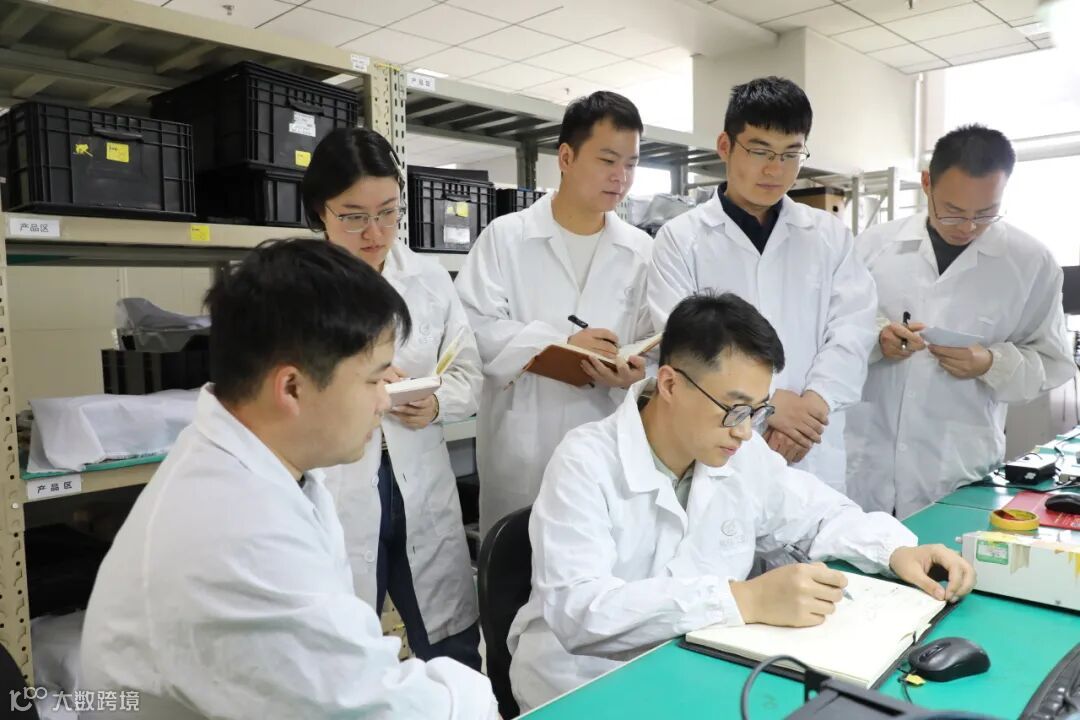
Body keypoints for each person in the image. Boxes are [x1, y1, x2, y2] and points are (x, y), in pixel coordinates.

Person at [80, 239, 497, 720]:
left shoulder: (260, 465)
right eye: (373, 381)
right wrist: (476, 697)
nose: (386, 401)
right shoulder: (237, 534)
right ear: (292, 387)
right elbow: (369, 708)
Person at [506, 292, 976, 711]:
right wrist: (743, 598)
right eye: (734, 409)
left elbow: (818, 514)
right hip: (584, 686)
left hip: (695, 664)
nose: (747, 430)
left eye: (758, 410)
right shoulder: (585, 460)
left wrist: (896, 551)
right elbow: (580, 611)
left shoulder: (738, 451)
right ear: (669, 384)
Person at [302, 128, 483, 668]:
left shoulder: (428, 279)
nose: (375, 232)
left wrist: (437, 404)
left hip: (419, 477)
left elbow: (466, 369)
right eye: (353, 216)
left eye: (388, 213)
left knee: (450, 642)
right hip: (338, 479)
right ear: (319, 212)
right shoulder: (298, 289)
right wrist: (357, 387)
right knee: (345, 652)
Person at [648, 76, 877, 493]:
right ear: (725, 146)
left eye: (791, 154)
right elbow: (684, 343)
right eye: (760, 151)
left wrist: (814, 405)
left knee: (814, 529)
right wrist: (770, 404)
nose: (776, 169)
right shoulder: (680, 239)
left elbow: (853, 331)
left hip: (810, 440)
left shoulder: (829, 236)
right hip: (722, 441)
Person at [845, 125, 1074, 517]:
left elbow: (1053, 362)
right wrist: (878, 337)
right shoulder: (873, 246)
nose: (968, 227)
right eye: (952, 212)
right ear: (926, 184)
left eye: (985, 213)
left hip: (955, 466)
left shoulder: (1031, 263)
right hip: (866, 460)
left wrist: (990, 363)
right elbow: (837, 325)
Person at [455, 91, 654, 535]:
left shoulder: (641, 250)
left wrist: (634, 374)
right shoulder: (506, 238)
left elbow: (654, 344)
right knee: (517, 562)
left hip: (607, 447)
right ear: (566, 157)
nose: (620, 177)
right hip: (523, 453)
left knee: (598, 560)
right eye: (607, 160)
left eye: (631, 164)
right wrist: (558, 345)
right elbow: (473, 330)